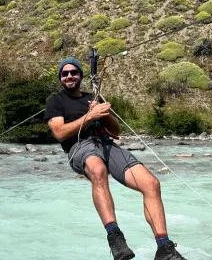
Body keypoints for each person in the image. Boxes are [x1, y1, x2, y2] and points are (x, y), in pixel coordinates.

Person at [44, 57, 187, 260]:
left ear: (80, 76)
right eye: (65, 73)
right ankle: (115, 238)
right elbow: (59, 132)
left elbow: (114, 130)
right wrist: (90, 116)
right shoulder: (56, 101)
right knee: (97, 169)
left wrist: (104, 114)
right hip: (79, 147)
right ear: (60, 77)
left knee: (151, 184)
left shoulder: (92, 98)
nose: (69, 76)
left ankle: (164, 248)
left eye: (73, 72)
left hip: (106, 145)